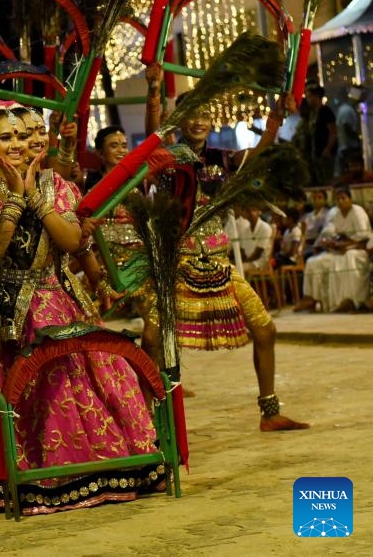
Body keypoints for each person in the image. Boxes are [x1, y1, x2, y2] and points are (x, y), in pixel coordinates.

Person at [0, 101, 162, 514]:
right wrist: (12, 202)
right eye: (5, 137)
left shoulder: (55, 185)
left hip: (52, 300)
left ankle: (85, 472)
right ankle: (12, 478)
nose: (17, 144)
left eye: (23, 136)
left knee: (69, 386)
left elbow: (70, 242)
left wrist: (34, 199)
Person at [141, 94, 308, 432]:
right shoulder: (168, 160)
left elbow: (257, 154)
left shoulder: (222, 158)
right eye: (191, 115)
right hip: (180, 265)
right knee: (152, 338)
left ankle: (269, 412)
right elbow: (150, 141)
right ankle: (149, 421)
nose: (198, 121)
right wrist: (153, 96)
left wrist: (273, 121)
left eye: (204, 114)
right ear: (179, 120)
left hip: (219, 263)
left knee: (266, 330)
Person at [293, 186, 371, 313]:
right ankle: (310, 298)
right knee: (313, 262)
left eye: (343, 198)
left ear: (350, 199)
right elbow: (331, 234)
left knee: (348, 258)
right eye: (338, 199)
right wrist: (330, 243)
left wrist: (346, 246)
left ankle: (350, 300)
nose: (341, 201)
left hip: (358, 250)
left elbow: (364, 240)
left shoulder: (358, 212)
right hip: (339, 251)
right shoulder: (336, 214)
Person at [307, 85, 336, 185]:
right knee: (320, 180)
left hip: (325, 154)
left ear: (317, 97)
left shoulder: (325, 111)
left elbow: (333, 132)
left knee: (328, 179)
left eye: (310, 96)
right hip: (317, 153)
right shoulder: (313, 113)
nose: (308, 99)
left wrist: (327, 149)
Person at [335, 86, 363, 179]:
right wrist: (357, 139)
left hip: (347, 147)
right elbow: (346, 127)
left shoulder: (346, 109)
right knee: (351, 175)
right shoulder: (347, 110)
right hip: (348, 148)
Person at [235, 205, 273, 273]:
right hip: (248, 261)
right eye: (248, 211)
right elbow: (243, 251)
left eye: (254, 210)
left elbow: (257, 254)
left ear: (259, 212)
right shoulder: (246, 230)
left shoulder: (265, 227)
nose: (251, 213)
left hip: (260, 262)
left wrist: (241, 263)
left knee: (235, 270)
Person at [301, 189, 330, 259]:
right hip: (305, 244)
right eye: (314, 198)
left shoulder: (327, 214)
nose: (316, 200)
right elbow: (302, 230)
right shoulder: (307, 215)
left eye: (319, 197)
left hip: (319, 245)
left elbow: (322, 233)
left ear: (325, 200)